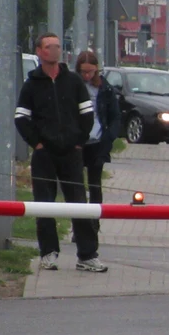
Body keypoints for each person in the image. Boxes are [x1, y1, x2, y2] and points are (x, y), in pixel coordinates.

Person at [15, 33, 106, 273]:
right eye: (49, 47)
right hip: (44, 154)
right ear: (39, 51)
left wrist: (79, 141)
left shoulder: (73, 81)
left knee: (79, 203)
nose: (55, 50)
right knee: (44, 205)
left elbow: (87, 113)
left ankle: (87, 255)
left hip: (72, 154)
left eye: (57, 46)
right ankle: (48, 253)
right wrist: (37, 144)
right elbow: (21, 117)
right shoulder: (31, 84)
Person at [75, 50, 121, 233]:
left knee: (95, 185)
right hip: (77, 143)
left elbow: (115, 116)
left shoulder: (105, 88)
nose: (87, 75)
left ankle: (93, 225)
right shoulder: (74, 86)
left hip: (97, 142)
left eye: (91, 71)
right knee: (77, 187)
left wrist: (109, 138)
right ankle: (79, 227)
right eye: (83, 72)